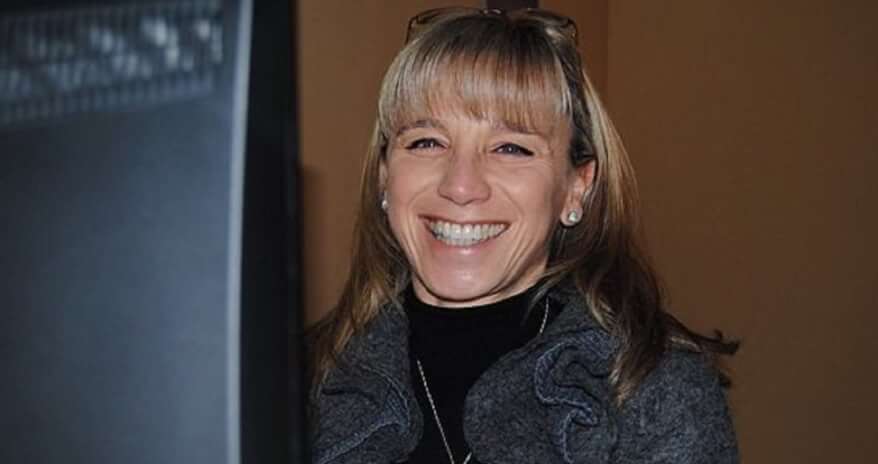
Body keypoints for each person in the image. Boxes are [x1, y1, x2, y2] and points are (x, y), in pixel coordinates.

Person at [308, 7, 738, 464]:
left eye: (511, 148)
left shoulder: (655, 392)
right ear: (384, 176)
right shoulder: (295, 381)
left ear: (576, 187)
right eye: (427, 142)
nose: (460, 186)